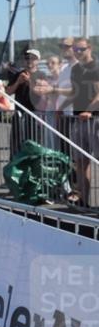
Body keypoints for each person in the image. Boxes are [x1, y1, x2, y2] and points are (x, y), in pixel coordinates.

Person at [69, 38, 99, 206]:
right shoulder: (75, 69)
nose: (78, 52)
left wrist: (89, 110)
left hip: (94, 119)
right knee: (80, 162)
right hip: (78, 119)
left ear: (90, 48)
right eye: (76, 50)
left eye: (81, 49)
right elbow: (74, 93)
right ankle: (83, 201)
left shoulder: (96, 67)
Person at [5, 48, 43, 155]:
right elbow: (8, 92)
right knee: (17, 144)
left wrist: (29, 81)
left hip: (35, 115)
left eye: (33, 58)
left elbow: (40, 93)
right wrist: (18, 82)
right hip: (19, 114)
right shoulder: (18, 74)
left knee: (34, 144)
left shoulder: (41, 75)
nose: (29, 61)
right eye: (27, 58)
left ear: (38, 60)